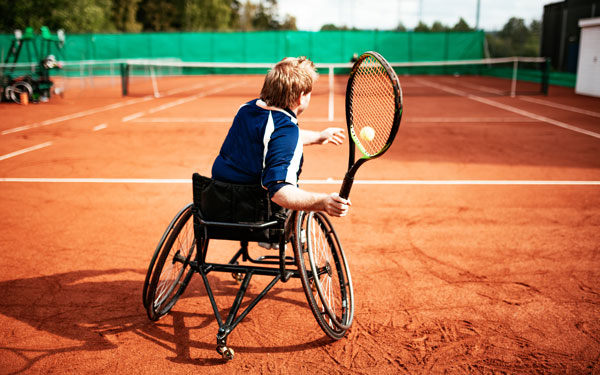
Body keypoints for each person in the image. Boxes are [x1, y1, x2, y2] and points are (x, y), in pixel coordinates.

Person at [211, 56, 351, 218]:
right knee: (292, 195)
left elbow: (272, 139)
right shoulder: (286, 129)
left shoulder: (247, 109)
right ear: (301, 97)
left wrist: (319, 136)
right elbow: (280, 193)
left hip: (218, 203)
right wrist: (324, 202)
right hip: (256, 212)